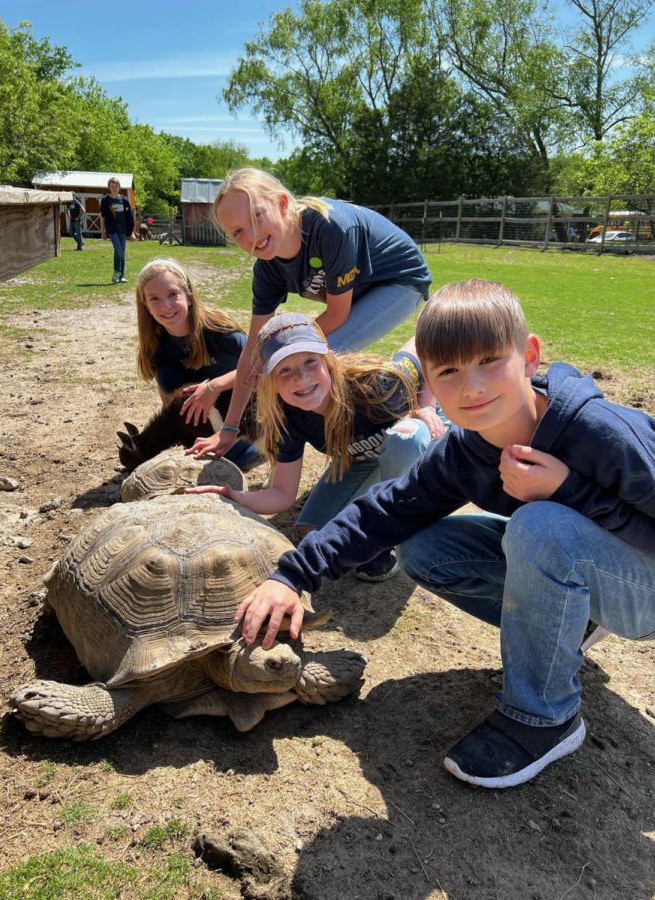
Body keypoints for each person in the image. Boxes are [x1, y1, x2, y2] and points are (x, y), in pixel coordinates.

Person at [233, 280, 655, 789]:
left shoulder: (598, 430)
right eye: (449, 371)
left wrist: (569, 490)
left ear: (529, 356)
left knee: (541, 526)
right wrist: (292, 575)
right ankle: (572, 625)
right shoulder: (465, 449)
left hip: (644, 592)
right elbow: (385, 511)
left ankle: (545, 717)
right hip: (592, 565)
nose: (471, 387)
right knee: (426, 546)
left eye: (488, 361)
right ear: (427, 382)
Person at [184, 167, 432, 458]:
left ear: (282, 203)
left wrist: (225, 381)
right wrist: (228, 427)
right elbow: (253, 347)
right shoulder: (267, 268)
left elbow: (336, 316)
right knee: (294, 364)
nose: (251, 236)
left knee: (312, 359)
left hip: (401, 281)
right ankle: (271, 447)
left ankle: (416, 379)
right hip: (359, 290)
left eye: (257, 216)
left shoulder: (329, 228)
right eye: (237, 231)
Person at [187, 311, 447, 580]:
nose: (300, 378)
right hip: (361, 457)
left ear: (328, 361)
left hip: (428, 434)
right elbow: (282, 495)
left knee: (406, 439)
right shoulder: (288, 418)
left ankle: (392, 532)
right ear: (270, 382)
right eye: (284, 370)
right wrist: (231, 497)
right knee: (313, 529)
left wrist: (427, 405)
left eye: (310, 362)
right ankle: (371, 502)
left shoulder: (377, 386)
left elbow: (421, 345)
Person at [135, 257, 259, 469]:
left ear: (189, 296)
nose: (165, 306)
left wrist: (214, 386)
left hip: (248, 434)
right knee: (168, 376)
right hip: (200, 443)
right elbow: (168, 402)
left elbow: (262, 370)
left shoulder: (224, 335)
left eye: (173, 294)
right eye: (154, 299)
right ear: (145, 305)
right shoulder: (156, 348)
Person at [100, 177, 136, 284]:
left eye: (116, 186)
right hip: (112, 230)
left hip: (123, 230)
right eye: (112, 186)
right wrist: (103, 232)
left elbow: (130, 217)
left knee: (121, 252)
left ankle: (121, 276)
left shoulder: (124, 200)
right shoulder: (105, 200)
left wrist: (132, 232)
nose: (114, 188)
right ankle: (116, 273)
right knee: (119, 250)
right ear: (109, 187)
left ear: (119, 187)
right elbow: (103, 216)